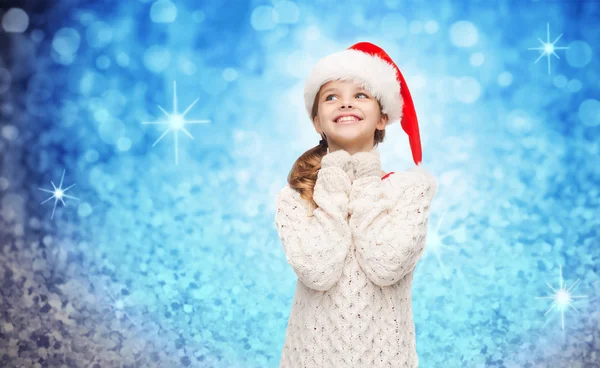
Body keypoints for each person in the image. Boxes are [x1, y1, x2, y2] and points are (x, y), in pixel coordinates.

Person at [274, 41, 439, 368]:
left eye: (361, 94)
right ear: (318, 123)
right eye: (331, 96)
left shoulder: (410, 189)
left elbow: (385, 265)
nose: (345, 103)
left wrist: (364, 176)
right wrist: (334, 176)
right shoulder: (295, 196)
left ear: (382, 118)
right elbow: (318, 271)